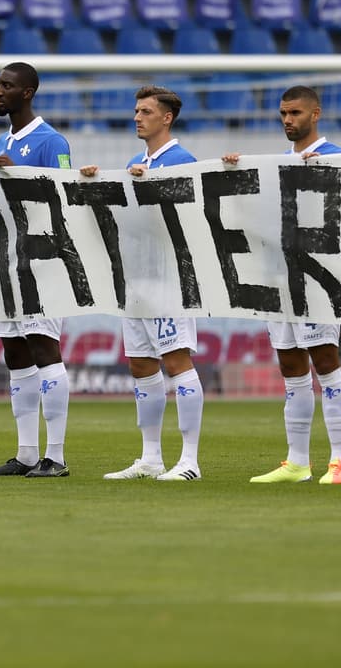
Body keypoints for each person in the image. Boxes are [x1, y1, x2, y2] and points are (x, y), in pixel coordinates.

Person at [223, 86, 341, 485]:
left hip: (317, 280)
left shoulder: (339, 159)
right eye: (282, 113)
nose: (287, 120)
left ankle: (339, 461)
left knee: (326, 364)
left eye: (295, 112)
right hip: (280, 280)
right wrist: (232, 173)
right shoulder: (277, 164)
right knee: (291, 368)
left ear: (316, 114)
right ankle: (297, 462)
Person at [81, 86, 206, 482]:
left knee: (176, 360)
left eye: (146, 111)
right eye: (136, 110)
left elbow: (191, 214)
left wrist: (150, 186)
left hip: (169, 279)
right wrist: (97, 185)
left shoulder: (182, 160)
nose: (137, 117)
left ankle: (189, 461)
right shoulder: (136, 161)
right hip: (134, 279)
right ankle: (151, 457)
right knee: (140, 365)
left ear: (166, 118)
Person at [0, 62, 74, 478]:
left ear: (28, 92)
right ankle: (27, 453)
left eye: (7, 86)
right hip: (9, 260)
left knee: (43, 348)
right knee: (14, 352)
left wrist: (15, 175)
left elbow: (67, 195)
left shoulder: (52, 140)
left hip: (44, 260)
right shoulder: (3, 138)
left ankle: (57, 456)